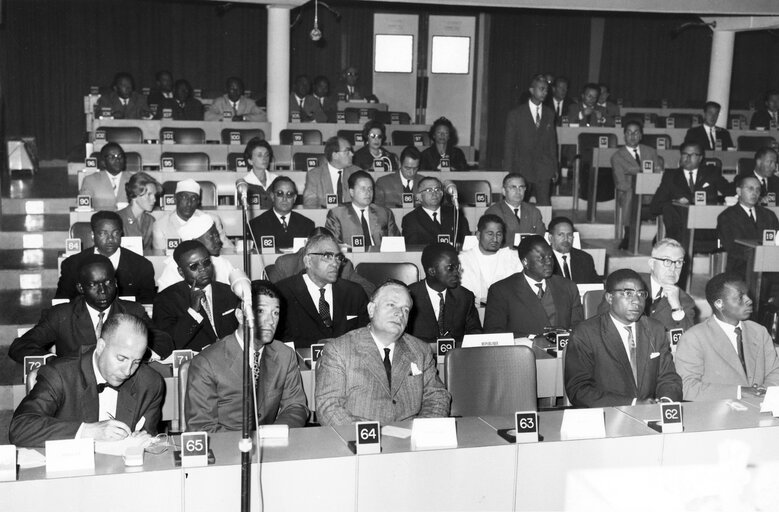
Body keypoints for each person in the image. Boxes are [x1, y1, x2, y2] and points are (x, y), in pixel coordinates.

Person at [9, 314, 165, 448]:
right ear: (101, 346)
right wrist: (86, 431)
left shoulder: (150, 382)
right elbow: (20, 428)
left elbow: (149, 435)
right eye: (121, 358)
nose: (128, 371)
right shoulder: (61, 374)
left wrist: (144, 440)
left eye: (136, 361)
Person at [315, 280, 451, 426]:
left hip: (410, 438)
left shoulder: (420, 350)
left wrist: (421, 430)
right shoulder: (339, 350)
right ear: (371, 309)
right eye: (391, 305)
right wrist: (371, 436)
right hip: (359, 440)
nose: (399, 313)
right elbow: (328, 407)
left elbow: (438, 396)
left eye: (405, 309)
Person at [186, 281, 308, 432]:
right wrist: (250, 444)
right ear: (240, 316)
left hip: (271, 446)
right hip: (228, 449)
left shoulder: (284, 354)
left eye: (275, 313)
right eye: (260, 312)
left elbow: (295, 406)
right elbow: (202, 426)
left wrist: (272, 434)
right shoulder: (206, 363)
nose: (270, 321)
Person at [10, 254, 172, 362]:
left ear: (116, 283)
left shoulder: (132, 311)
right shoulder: (61, 315)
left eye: (108, 282)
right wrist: (54, 361)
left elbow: (164, 342)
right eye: (94, 285)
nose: (102, 290)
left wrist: (137, 355)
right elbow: (20, 347)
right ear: (81, 288)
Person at [564, 269, 682, 408]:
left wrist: (665, 402)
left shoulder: (655, 329)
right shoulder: (585, 333)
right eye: (628, 293)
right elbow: (578, 390)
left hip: (650, 414)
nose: (636, 301)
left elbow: (668, 377)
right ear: (609, 298)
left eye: (641, 294)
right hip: (607, 415)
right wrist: (632, 404)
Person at [675, 273, 779, 400]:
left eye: (748, 295)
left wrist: (764, 392)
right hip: (715, 416)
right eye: (740, 297)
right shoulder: (694, 338)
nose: (749, 300)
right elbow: (687, 387)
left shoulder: (759, 332)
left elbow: (775, 372)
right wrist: (739, 392)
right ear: (719, 304)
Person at [275, 233, 370, 349]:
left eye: (338, 258)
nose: (335, 264)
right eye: (327, 256)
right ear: (308, 261)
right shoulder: (282, 293)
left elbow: (366, 337)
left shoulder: (354, 292)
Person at [484, 235, 583, 337]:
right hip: (524, 350)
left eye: (550, 257)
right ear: (525, 262)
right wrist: (531, 339)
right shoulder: (501, 291)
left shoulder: (568, 287)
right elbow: (493, 333)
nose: (549, 262)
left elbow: (578, 328)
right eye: (541, 258)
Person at [152, 241, 239, 352]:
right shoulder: (165, 300)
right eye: (194, 266)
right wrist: (193, 312)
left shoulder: (229, 292)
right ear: (181, 272)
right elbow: (168, 344)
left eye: (206, 262)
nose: (203, 269)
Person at [598, 238, 696, 334]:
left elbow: (689, 340)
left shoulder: (684, 300)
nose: (673, 268)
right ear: (652, 264)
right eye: (667, 261)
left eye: (678, 262)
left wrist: (676, 308)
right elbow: (602, 319)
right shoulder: (627, 283)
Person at [56, 210, 156, 303]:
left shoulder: (141, 265)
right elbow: (62, 302)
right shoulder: (73, 264)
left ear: (122, 234)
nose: (110, 239)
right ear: (92, 235)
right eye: (103, 233)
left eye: (115, 233)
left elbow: (147, 304)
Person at [649, 141, 730, 249]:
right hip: (680, 225)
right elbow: (655, 206)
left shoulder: (711, 173)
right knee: (670, 211)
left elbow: (729, 192)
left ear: (700, 158)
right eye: (684, 154)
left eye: (692, 155)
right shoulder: (670, 176)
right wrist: (677, 202)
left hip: (707, 224)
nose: (687, 158)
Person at [407, 243, 482, 344]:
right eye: (450, 268)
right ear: (432, 271)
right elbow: (403, 339)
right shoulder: (409, 296)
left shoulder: (465, 297)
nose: (457, 272)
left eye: (457, 267)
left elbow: (475, 334)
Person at [266, 227, 375, 297]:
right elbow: (268, 294)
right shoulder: (286, 263)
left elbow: (368, 289)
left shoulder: (343, 265)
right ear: (306, 245)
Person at [503, 74, 559, 206]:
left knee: (544, 204)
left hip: (544, 167)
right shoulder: (516, 114)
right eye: (541, 89)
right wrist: (507, 171)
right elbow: (509, 145)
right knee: (519, 204)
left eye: (546, 89)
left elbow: (552, 143)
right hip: (522, 167)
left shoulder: (550, 113)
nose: (544, 92)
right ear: (532, 90)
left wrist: (554, 167)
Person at [610, 121, 665, 249]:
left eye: (636, 133)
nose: (632, 136)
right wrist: (639, 186)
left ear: (641, 135)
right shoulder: (617, 157)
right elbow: (620, 183)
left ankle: (660, 235)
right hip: (629, 193)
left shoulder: (650, 151)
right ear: (624, 136)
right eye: (629, 133)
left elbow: (658, 173)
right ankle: (629, 234)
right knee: (631, 194)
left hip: (652, 192)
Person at [717, 175, 779, 277]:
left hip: (770, 264)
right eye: (750, 189)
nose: (755, 193)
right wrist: (759, 257)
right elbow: (732, 247)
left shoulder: (769, 215)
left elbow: (777, 240)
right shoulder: (726, 216)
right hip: (742, 266)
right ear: (739, 191)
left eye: (758, 190)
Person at [156, 214, 236, 291]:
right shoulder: (173, 268)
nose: (218, 240)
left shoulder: (222, 262)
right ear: (195, 242)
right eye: (211, 237)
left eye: (217, 235)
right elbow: (165, 301)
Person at [459, 214, 523, 305]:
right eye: (490, 234)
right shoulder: (463, 259)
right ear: (478, 235)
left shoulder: (513, 257)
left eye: (499, 234)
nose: (495, 239)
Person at [151, 179, 233, 251]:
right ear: (175, 199)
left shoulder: (211, 220)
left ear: (198, 202)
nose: (189, 203)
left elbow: (228, 249)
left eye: (194, 198)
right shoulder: (160, 226)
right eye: (184, 197)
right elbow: (161, 259)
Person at [325, 170, 400, 247]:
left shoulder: (384, 213)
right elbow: (332, 246)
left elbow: (396, 244)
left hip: (381, 257)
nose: (368, 192)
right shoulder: (337, 214)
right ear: (351, 192)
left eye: (370, 188)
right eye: (363, 189)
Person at [401, 176, 470, 246]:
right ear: (419, 197)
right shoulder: (410, 219)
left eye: (437, 189)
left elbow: (467, 243)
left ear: (442, 194)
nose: (434, 193)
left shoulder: (455, 214)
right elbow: (412, 248)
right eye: (429, 190)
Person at [249, 176, 314, 249]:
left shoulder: (307, 225)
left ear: (295, 198)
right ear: (272, 196)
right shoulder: (255, 225)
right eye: (280, 193)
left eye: (289, 194)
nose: (284, 198)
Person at [484, 173, 546, 246]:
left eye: (521, 187)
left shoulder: (534, 212)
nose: (518, 191)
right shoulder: (493, 212)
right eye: (513, 187)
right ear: (504, 191)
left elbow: (540, 238)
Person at [302, 136, 359, 208]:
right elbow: (310, 204)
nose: (352, 154)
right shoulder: (314, 175)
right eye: (347, 151)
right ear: (335, 155)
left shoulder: (357, 173)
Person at [79, 142, 131, 211]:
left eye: (120, 156)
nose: (117, 160)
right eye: (111, 157)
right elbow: (83, 209)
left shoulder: (133, 179)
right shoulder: (90, 180)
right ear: (103, 162)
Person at [548, 216, 600, 284]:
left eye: (569, 235)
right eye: (561, 235)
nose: (566, 239)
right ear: (550, 237)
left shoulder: (585, 258)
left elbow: (596, 285)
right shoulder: (544, 259)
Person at [117, 172, 161, 251]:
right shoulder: (117, 219)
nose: (154, 199)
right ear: (134, 195)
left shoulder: (150, 220)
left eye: (154, 195)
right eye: (149, 194)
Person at [239, 138, 278, 210]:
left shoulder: (277, 180)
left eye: (266, 155)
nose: (264, 159)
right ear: (250, 161)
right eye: (259, 155)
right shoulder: (244, 184)